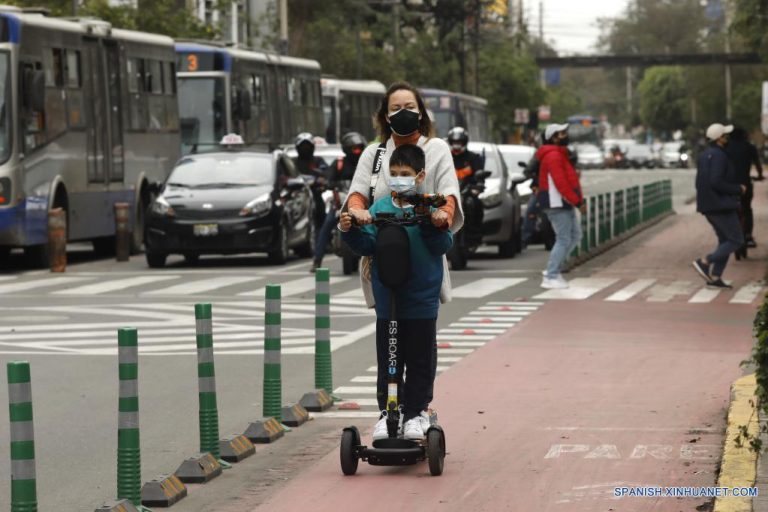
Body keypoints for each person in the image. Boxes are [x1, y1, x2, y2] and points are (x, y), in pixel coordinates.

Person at [339, 144, 453, 440]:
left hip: (422, 302)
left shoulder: (428, 208)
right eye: (393, 173)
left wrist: (433, 223)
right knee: (389, 360)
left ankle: (416, 413)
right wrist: (351, 227)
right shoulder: (379, 209)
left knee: (419, 361)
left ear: (419, 176)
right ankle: (389, 412)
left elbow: (443, 245)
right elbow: (365, 245)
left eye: (405, 174)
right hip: (388, 301)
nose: (398, 178)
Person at [344, 81, 463, 304]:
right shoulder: (374, 154)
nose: (403, 113)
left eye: (409, 107)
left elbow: (449, 195)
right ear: (386, 116)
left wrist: (441, 216)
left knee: (421, 335)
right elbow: (357, 195)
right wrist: (356, 213)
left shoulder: (437, 149)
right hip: (385, 265)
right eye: (396, 108)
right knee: (389, 335)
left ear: (420, 113)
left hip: (424, 262)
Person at [692, 123, 746, 288]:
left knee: (725, 240)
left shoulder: (704, 155)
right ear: (719, 139)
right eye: (725, 135)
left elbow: (699, 182)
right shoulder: (720, 156)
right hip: (721, 205)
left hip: (708, 205)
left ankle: (715, 277)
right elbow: (716, 182)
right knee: (736, 240)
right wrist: (738, 189)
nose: (727, 138)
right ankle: (705, 262)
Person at [536, 123, 585, 289]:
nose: (565, 136)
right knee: (564, 238)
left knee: (575, 235)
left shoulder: (560, 154)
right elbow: (561, 183)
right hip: (556, 202)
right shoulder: (553, 156)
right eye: (562, 133)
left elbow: (569, 179)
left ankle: (553, 268)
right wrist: (578, 202)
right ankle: (551, 275)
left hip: (564, 202)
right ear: (554, 138)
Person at [310, 132, 367, 272]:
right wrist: (324, 183)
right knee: (327, 225)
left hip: (362, 202)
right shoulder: (339, 163)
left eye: (359, 148)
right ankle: (317, 260)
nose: (357, 151)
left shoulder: (367, 162)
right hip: (340, 202)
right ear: (347, 149)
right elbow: (327, 176)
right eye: (354, 148)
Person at [726, 127, 764, 248]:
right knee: (747, 209)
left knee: (730, 209)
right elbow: (757, 164)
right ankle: (748, 235)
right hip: (745, 184)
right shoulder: (749, 147)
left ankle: (730, 234)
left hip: (729, 185)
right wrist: (759, 176)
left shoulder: (726, 148)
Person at [292, 132, 328, 230]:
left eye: (308, 146)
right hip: (296, 196)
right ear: (297, 147)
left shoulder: (318, 161)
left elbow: (326, 174)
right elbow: (285, 176)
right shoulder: (292, 162)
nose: (305, 148)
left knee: (322, 213)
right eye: (302, 146)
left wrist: (321, 179)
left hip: (315, 194)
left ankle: (324, 236)